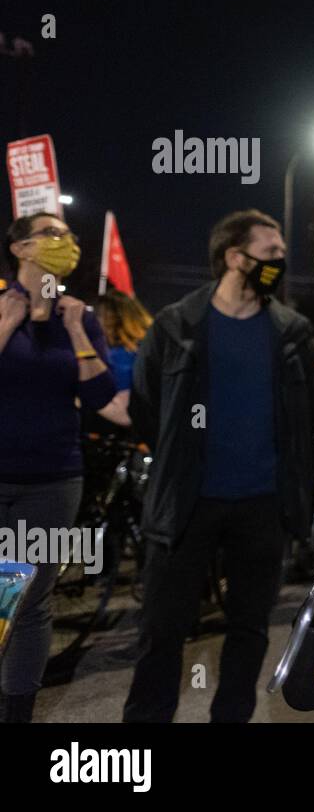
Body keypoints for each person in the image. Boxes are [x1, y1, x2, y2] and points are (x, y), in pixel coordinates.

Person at [122, 209, 314, 722]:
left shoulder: (291, 331)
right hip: (187, 503)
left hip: (261, 506)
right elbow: (145, 410)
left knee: (249, 630)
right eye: (271, 254)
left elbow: (303, 422)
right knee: (162, 630)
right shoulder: (177, 325)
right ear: (235, 257)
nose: (281, 263)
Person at [0, 213, 116, 722]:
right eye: (52, 234)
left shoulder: (80, 316)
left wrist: (75, 330)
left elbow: (99, 394)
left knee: (27, 600)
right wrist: (7, 324)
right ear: (21, 248)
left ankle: (17, 711)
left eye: (69, 234)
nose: (66, 243)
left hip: (52, 479)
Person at [92, 288, 154, 429]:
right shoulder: (149, 347)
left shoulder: (121, 355)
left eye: (99, 316)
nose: (95, 321)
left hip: (125, 439)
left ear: (112, 319)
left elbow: (123, 413)